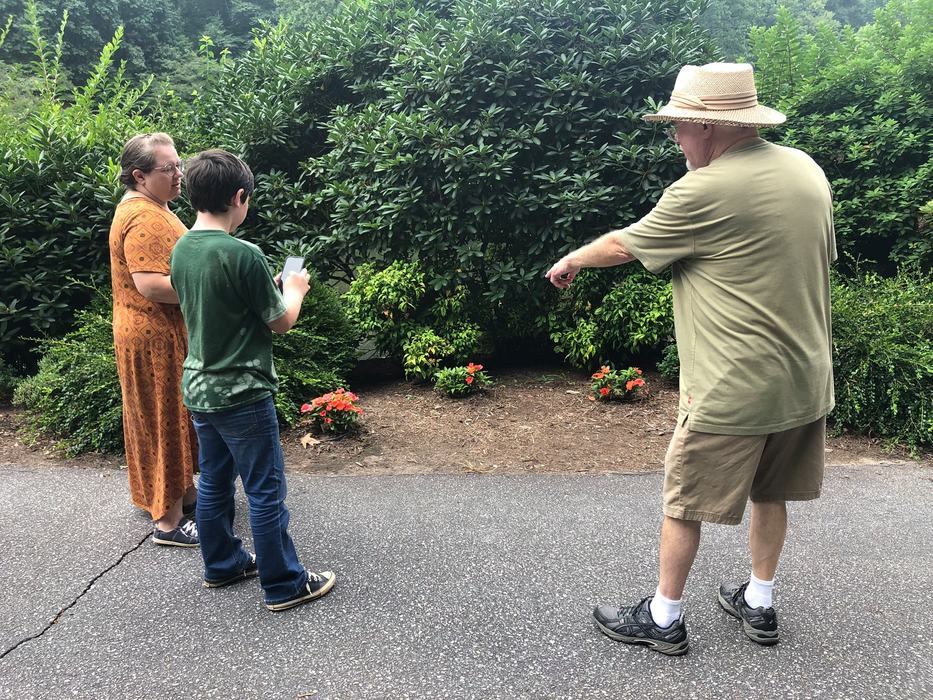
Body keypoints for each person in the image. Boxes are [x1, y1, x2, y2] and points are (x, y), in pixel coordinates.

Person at [546, 63, 835, 655]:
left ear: (709, 125)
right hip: (804, 378)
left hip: (733, 386)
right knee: (770, 491)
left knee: (684, 502)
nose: (675, 138)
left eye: (679, 126)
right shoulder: (805, 169)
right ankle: (759, 603)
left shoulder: (704, 190)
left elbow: (626, 243)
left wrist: (573, 258)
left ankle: (664, 617)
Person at [169, 149, 336, 611]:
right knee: (265, 490)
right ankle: (283, 583)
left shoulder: (182, 247)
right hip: (242, 392)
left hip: (199, 388)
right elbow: (280, 321)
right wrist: (294, 289)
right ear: (239, 197)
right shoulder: (243, 254)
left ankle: (221, 565)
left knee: (216, 483)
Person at [109, 132, 199, 547]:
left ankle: (177, 495)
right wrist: (212, 291)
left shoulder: (152, 205)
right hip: (152, 337)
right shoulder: (144, 216)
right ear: (140, 175)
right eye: (169, 169)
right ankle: (169, 522)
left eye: (179, 164)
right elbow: (152, 285)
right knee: (163, 421)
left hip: (154, 333)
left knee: (166, 417)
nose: (179, 174)